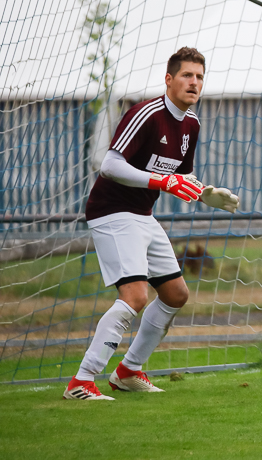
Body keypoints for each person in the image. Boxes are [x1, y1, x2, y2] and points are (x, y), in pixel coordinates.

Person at [63, 47, 240, 401]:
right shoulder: (145, 114)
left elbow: (181, 174)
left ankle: (128, 371)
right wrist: (162, 182)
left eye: (200, 77)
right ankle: (81, 382)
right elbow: (110, 165)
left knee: (175, 294)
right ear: (169, 79)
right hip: (111, 211)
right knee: (136, 295)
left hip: (143, 214)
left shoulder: (191, 123)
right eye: (187, 75)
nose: (194, 82)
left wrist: (205, 193)